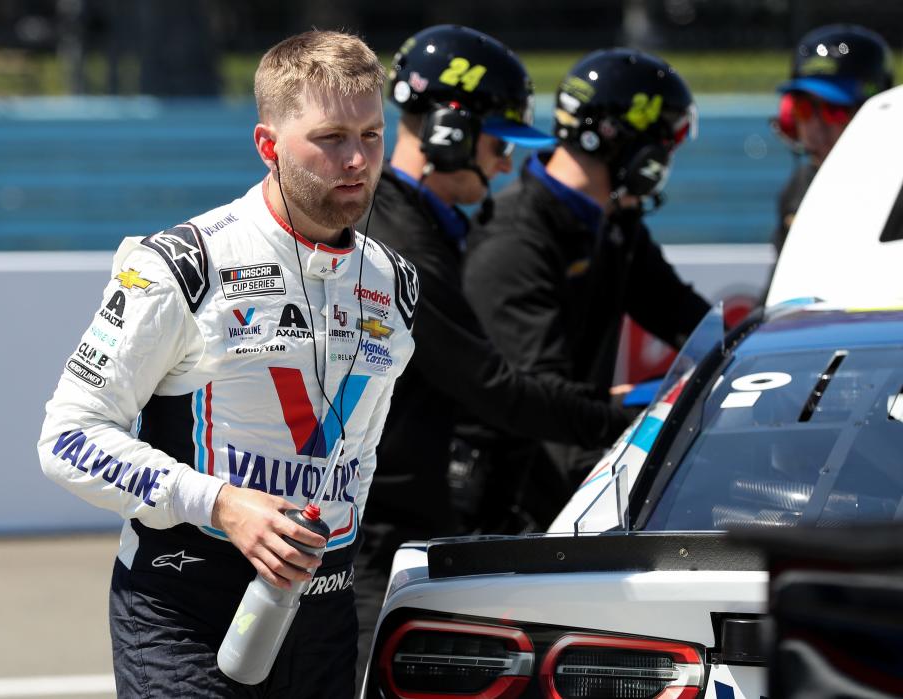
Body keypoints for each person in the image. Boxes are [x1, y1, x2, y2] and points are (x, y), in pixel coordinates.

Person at [38, 30, 418, 698]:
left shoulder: (395, 282)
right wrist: (220, 502)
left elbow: (360, 455)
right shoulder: (183, 264)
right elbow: (67, 438)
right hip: (182, 608)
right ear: (268, 146)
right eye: (330, 138)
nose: (356, 159)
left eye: (372, 135)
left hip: (321, 614)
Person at [354, 24, 632, 685]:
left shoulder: (417, 226)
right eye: (500, 141)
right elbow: (494, 386)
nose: (509, 162)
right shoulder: (402, 248)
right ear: (449, 131)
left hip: (391, 531)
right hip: (368, 544)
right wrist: (620, 423)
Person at [462, 49, 710, 494]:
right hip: (511, 495)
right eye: (664, 149)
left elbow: (686, 318)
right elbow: (543, 402)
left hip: (572, 458)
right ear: (636, 151)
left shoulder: (612, 222)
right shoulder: (514, 242)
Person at [772, 24, 894, 252]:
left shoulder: (897, 189)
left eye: (834, 109)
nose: (816, 127)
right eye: (803, 108)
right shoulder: (798, 187)